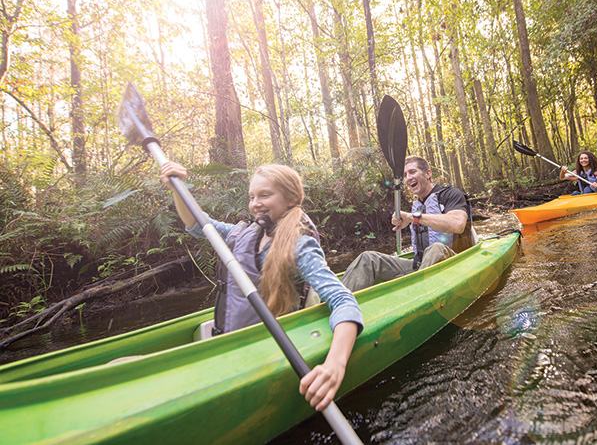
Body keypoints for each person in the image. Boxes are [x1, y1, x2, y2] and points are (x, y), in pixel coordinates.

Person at [160, 161, 363, 412]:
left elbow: (343, 300)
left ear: (290, 199)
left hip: (270, 347)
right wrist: (176, 188)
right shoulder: (247, 232)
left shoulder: (300, 246)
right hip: (236, 341)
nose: (255, 203)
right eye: (252, 196)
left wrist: (335, 365)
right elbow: (200, 226)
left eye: (265, 195)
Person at [341, 155, 477, 292]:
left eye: (412, 172)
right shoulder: (417, 205)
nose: (408, 178)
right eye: (405, 175)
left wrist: (413, 217)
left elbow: (457, 224)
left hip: (455, 263)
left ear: (428, 173)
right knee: (368, 259)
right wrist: (406, 220)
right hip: (421, 267)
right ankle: (337, 302)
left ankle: (418, 295)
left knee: (436, 248)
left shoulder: (451, 194)